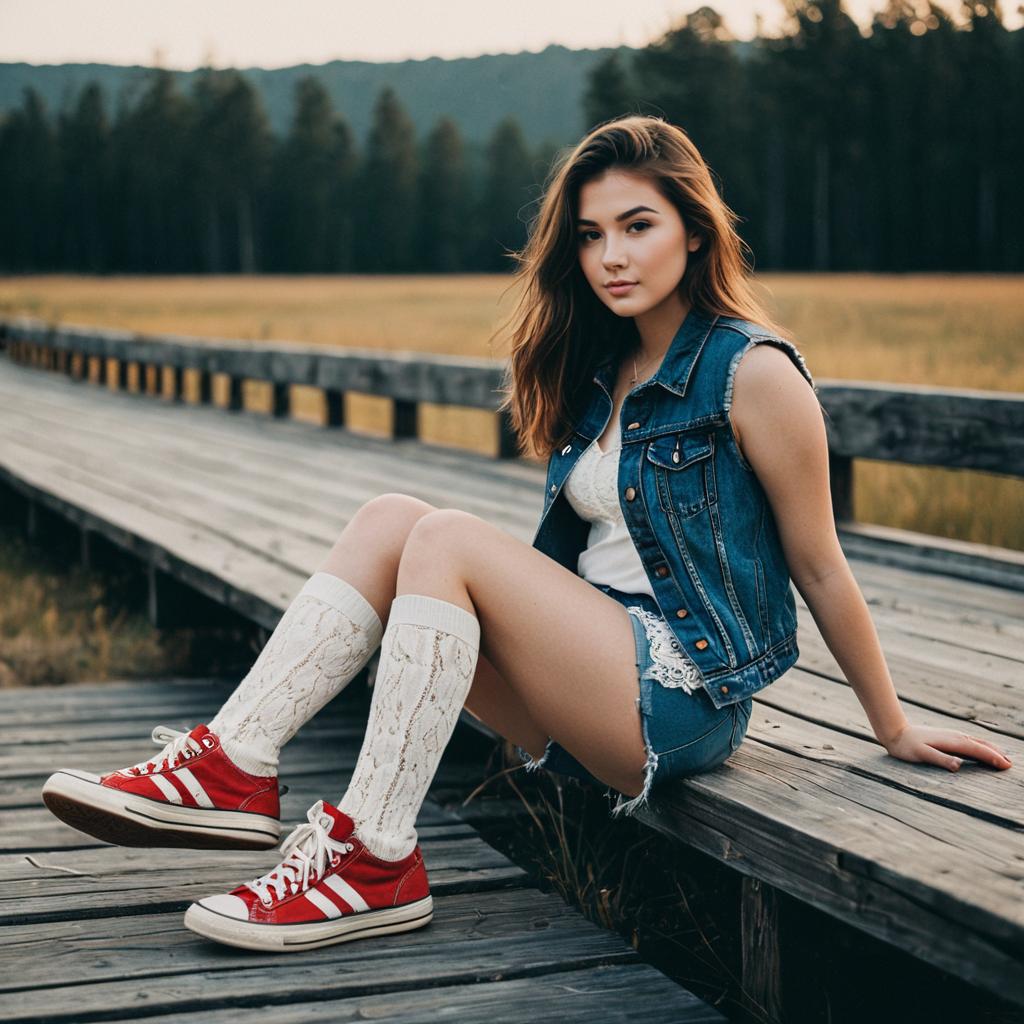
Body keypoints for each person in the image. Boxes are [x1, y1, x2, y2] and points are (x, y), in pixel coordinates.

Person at [40, 114, 1012, 954]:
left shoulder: (750, 372)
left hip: (681, 695)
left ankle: (374, 851)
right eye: (591, 236)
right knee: (392, 520)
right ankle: (232, 764)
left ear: (692, 228)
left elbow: (819, 562)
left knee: (450, 538)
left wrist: (890, 725)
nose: (613, 256)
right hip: (586, 669)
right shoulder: (605, 368)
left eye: (638, 225)